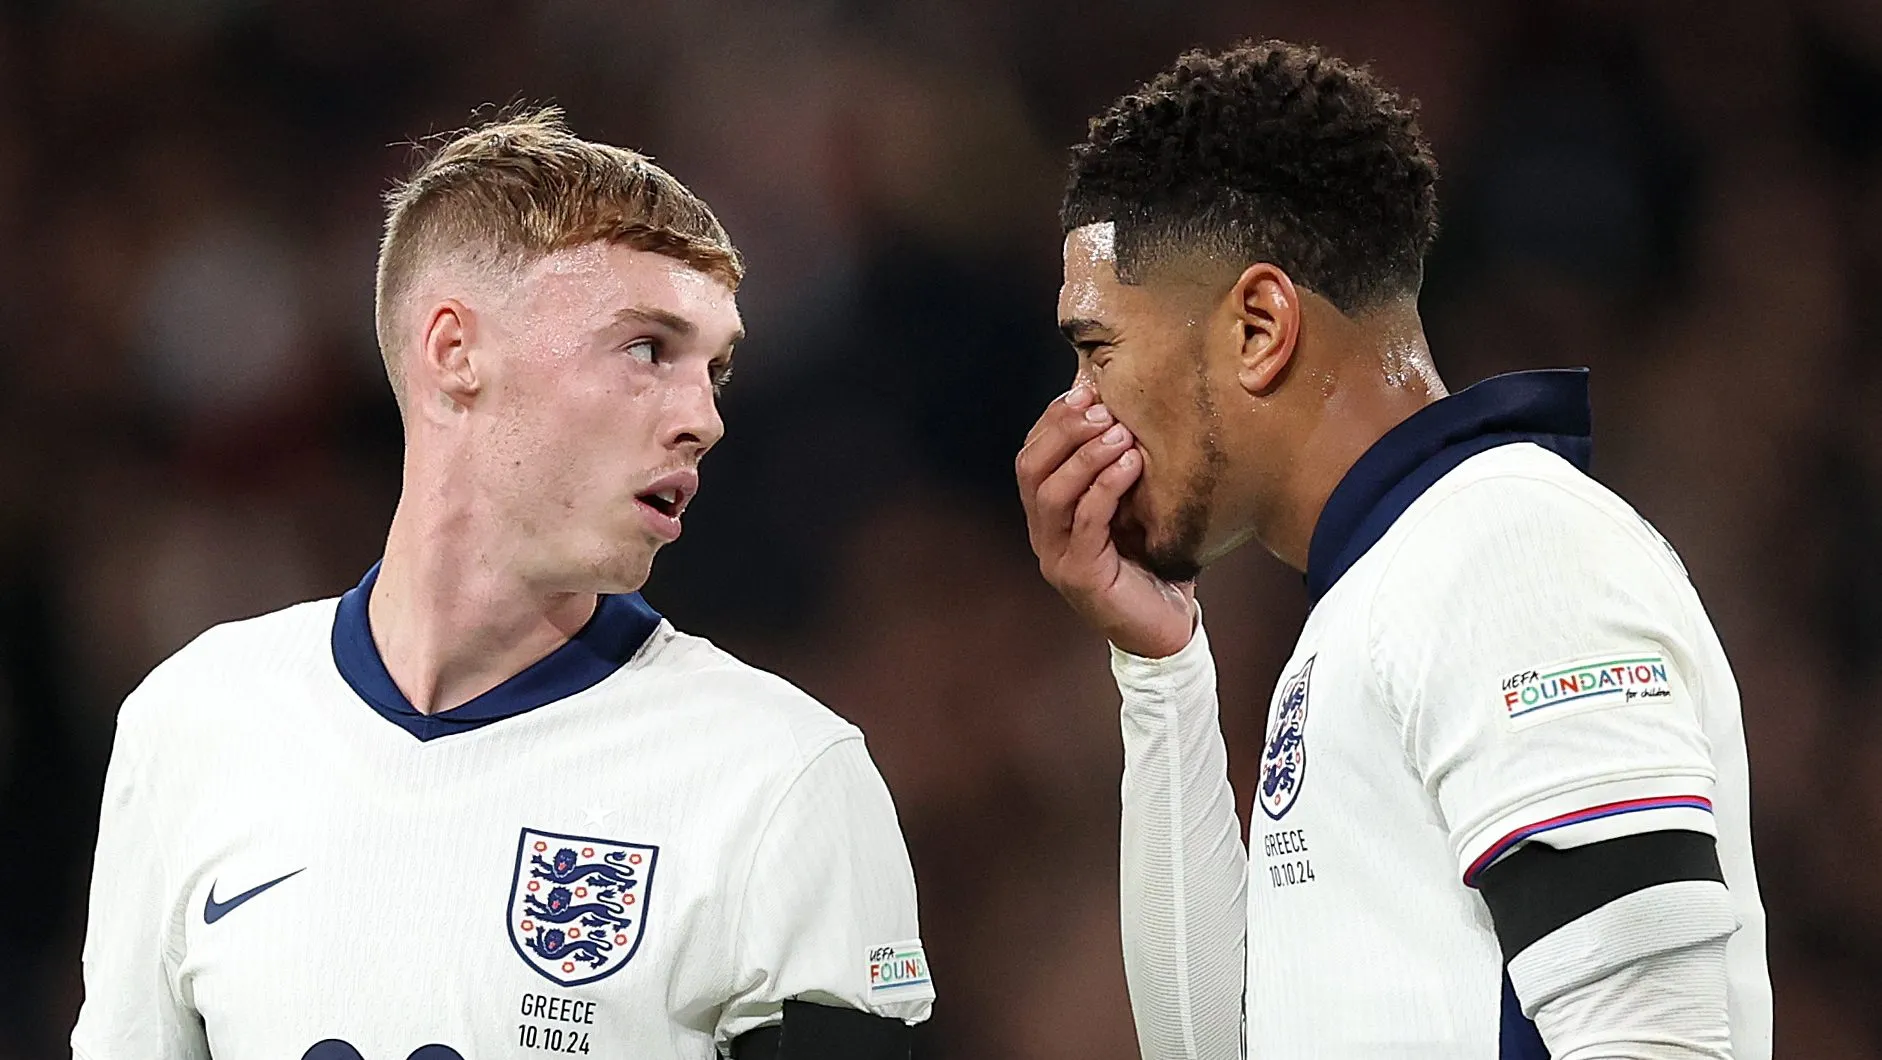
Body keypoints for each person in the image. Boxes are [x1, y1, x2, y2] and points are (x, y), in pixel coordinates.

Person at [72, 109, 932, 1060]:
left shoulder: (784, 777)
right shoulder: (194, 722)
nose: (703, 418)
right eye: (648, 348)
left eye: (716, 370)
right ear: (455, 354)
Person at [1016, 41, 1770, 1059]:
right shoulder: (1386, 590)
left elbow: (1658, 1043)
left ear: (1256, 327)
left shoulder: (1510, 550)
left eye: (1096, 348)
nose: (1074, 408)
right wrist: (1161, 676)